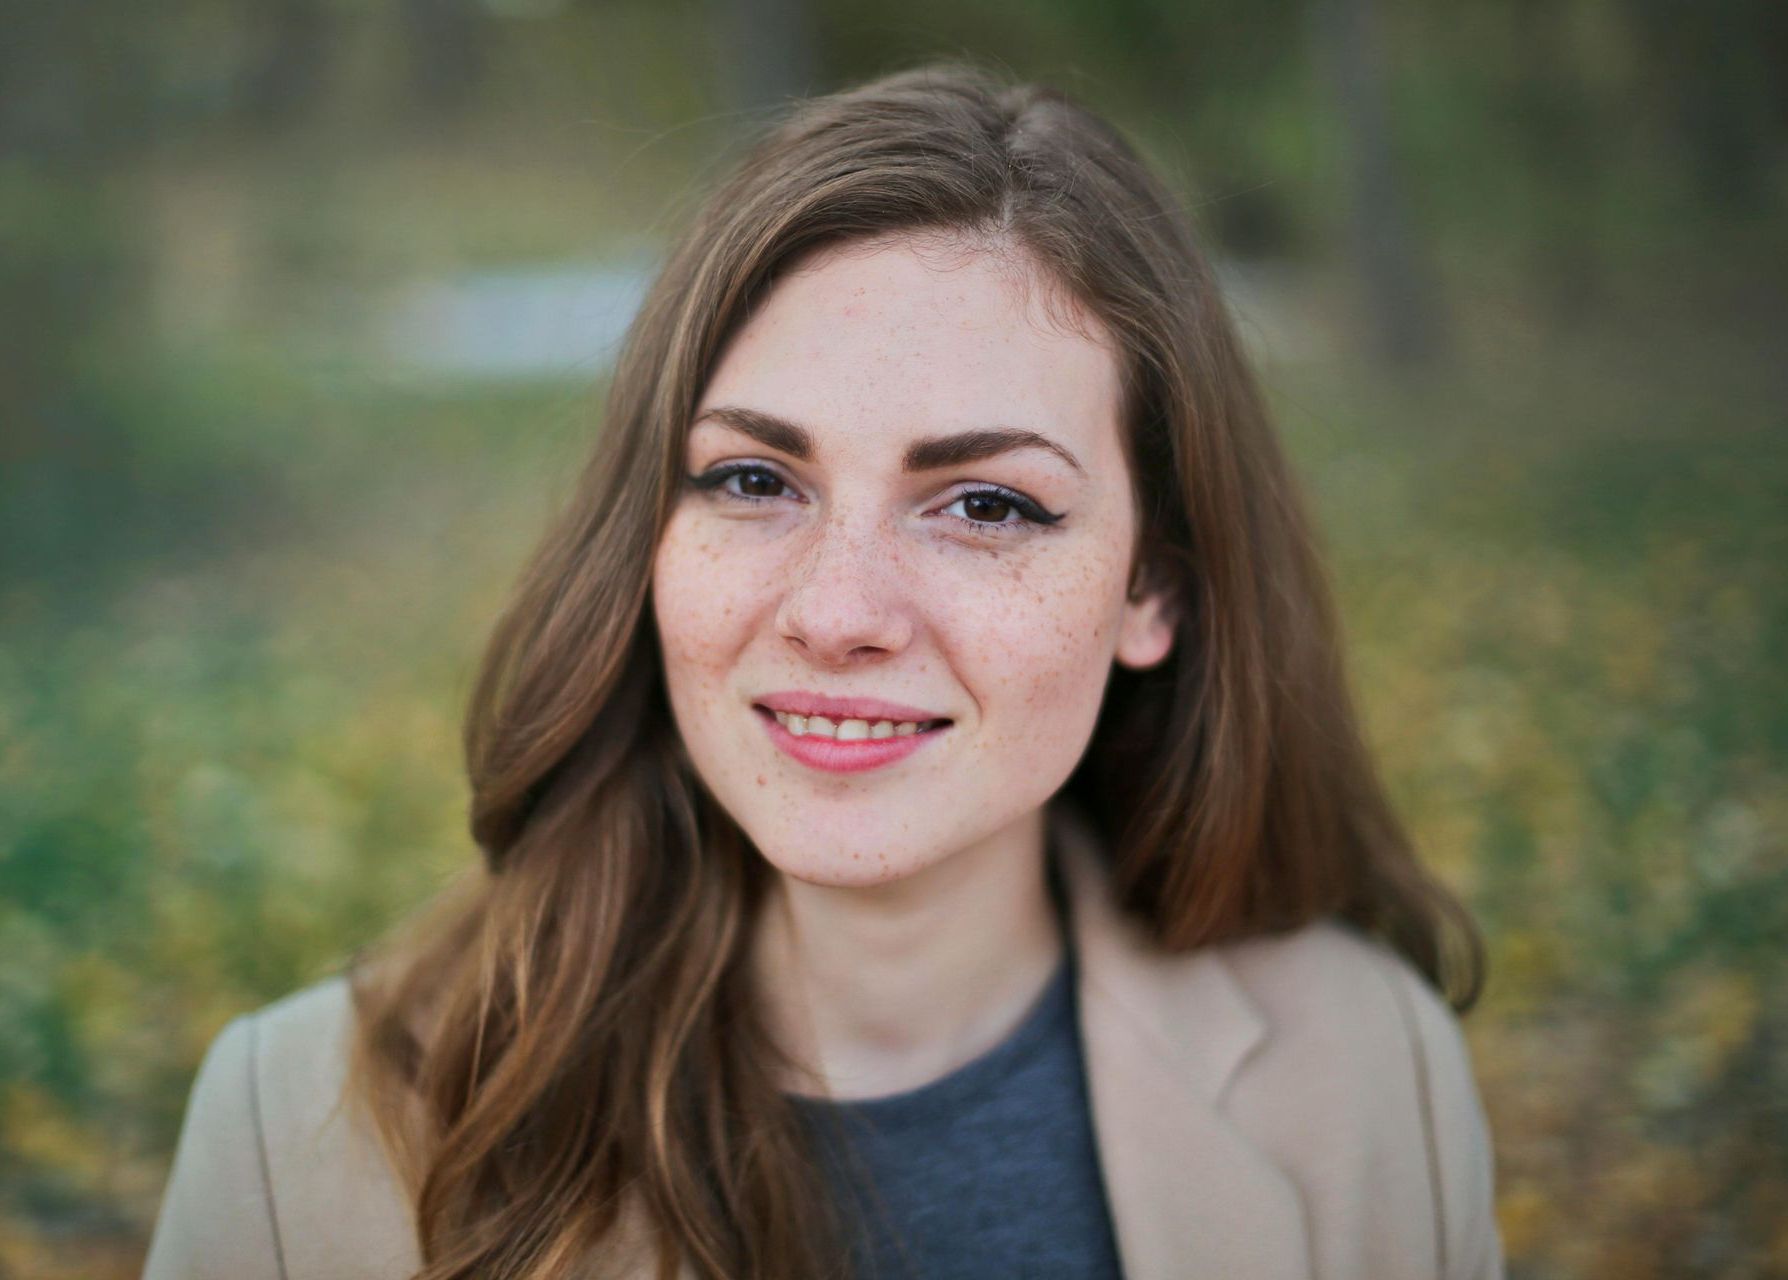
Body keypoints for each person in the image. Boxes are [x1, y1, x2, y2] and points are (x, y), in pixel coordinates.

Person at [143, 61, 1503, 1280]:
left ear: (1154, 586)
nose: (839, 611)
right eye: (753, 479)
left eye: (986, 505)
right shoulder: (296, 1134)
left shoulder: (1373, 1076)